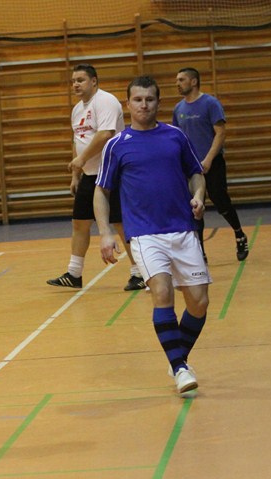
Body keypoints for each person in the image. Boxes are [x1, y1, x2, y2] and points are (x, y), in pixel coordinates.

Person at [94, 75, 211, 395]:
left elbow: (196, 173)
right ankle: (180, 369)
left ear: (158, 103)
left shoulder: (175, 136)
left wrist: (198, 196)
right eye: (137, 99)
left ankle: (177, 356)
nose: (143, 105)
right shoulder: (117, 145)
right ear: (128, 104)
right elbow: (102, 191)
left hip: (183, 229)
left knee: (199, 303)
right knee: (162, 292)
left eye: (149, 99)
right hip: (144, 234)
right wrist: (105, 233)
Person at [47, 64, 145, 291]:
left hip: (112, 172)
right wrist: (76, 174)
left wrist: (82, 159)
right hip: (90, 175)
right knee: (79, 222)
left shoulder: (105, 101)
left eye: (80, 80)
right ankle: (74, 273)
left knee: (120, 223)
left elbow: (106, 134)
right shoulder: (77, 110)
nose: (75, 84)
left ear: (94, 81)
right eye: (73, 81)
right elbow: (77, 141)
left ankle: (139, 273)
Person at [173, 67, 248, 262]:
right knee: (195, 207)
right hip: (191, 167)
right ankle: (200, 252)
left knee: (220, 200)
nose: (177, 83)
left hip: (212, 163)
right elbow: (178, 138)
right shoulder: (178, 109)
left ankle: (239, 235)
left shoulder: (210, 103)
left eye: (181, 80)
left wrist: (208, 159)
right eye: (177, 80)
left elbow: (220, 133)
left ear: (194, 81)